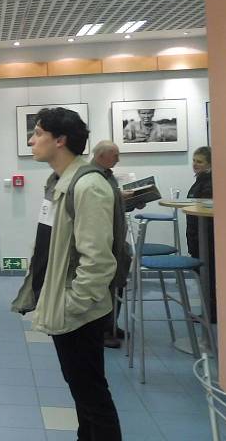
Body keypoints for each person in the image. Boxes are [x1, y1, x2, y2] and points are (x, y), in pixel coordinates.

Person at [13, 108, 121, 441]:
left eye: (38, 133)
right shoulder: (60, 181)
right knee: (81, 389)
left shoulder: (88, 187)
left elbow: (98, 261)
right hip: (63, 302)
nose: (31, 140)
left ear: (60, 140)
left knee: (91, 393)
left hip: (78, 311)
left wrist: (74, 304)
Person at [91, 140, 131, 349]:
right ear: (101, 156)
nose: (118, 159)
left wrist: (124, 200)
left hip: (117, 241)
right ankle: (103, 330)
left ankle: (112, 324)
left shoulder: (108, 176)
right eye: (114, 155)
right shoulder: (93, 178)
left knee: (118, 283)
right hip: (105, 243)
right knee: (105, 287)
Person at [186, 146, 215, 323]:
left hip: (205, 238)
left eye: (200, 161)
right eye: (194, 161)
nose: (195, 164)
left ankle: (211, 313)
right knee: (204, 273)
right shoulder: (201, 180)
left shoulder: (210, 183)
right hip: (196, 235)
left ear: (210, 164)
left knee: (209, 275)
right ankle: (209, 311)